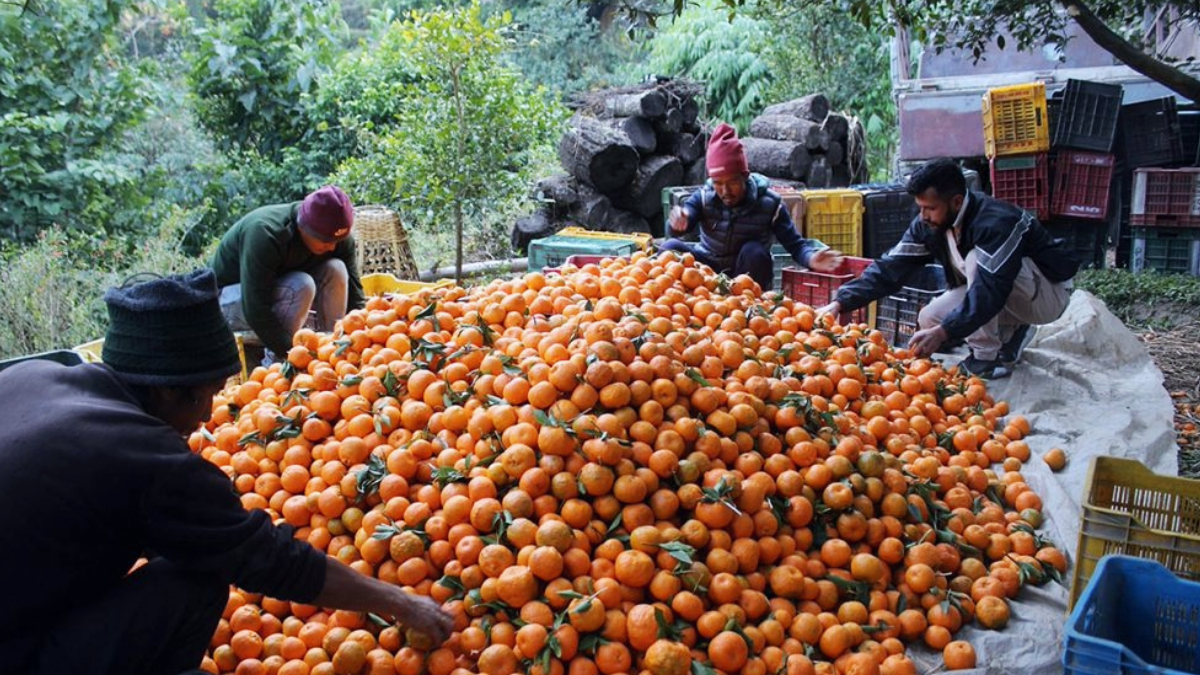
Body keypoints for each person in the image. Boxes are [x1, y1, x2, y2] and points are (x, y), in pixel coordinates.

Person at [0, 270, 452, 675]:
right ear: (176, 393)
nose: (210, 413)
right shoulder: (146, 456)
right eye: (211, 394)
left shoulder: (31, 375)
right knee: (196, 576)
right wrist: (399, 601)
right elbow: (268, 559)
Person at [818, 158, 1079, 378]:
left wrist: (946, 332)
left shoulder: (995, 223)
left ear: (956, 201)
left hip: (1046, 295)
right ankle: (1013, 333)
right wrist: (841, 302)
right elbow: (891, 267)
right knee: (930, 319)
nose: (923, 216)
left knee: (977, 262)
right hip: (1003, 291)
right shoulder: (929, 225)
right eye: (920, 207)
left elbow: (989, 289)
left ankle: (986, 358)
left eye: (930, 208)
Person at [661, 122, 843, 290]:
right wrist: (678, 221)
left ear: (745, 176)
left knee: (755, 252)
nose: (724, 191)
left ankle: (753, 310)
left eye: (732, 182)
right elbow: (682, 222)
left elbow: (795, 244)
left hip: (746, 277)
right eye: (717, 183)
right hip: (706, 272)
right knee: (670, 247)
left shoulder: (770, 204)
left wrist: (811, 257)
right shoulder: (703, 198)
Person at [212, 185, 365, 362]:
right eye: (325, 241)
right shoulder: (266, 233)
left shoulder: (337, 240)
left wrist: (360, 338)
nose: (331, 247)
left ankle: (334, 350)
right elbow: (255, 308)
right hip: (226, 302)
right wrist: (293, 355)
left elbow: (356, 296)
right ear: (303, 228)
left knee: (336, 269)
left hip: (278, 293)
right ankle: (277, 367)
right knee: (301, 284)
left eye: (336, 241)